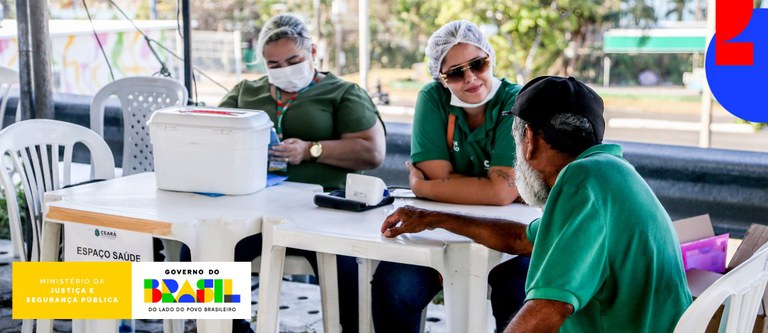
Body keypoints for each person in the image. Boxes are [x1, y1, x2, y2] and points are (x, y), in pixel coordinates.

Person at [381, 76, 692, 332]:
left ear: (528, 139)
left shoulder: (582, 179)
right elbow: (520, 238)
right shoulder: (607, 173)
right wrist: (432, 217)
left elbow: (548, 308)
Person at [216, 14, 386, 333]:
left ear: (313, 52)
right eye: (274, 64)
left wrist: (310, 149)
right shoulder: (246, 92)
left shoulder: (342, 92)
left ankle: (348, 328)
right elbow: (212, 129)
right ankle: (227, 327)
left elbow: (372, 152)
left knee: (342, 268)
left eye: (293, 60)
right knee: (201, 250)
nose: (284, 70)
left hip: (323, 212)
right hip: (256, 211)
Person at [371, 20, 527, 332]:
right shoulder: (432, 98)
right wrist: (453, 184)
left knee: (521, 293)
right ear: (441, 78)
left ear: (490, 57)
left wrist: (424, 188)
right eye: (455, 72)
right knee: (391, 287)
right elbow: (443, 174)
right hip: (438, 226)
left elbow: (500, 193)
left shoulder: (515, 99)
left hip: (508, 228)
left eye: (478, 64)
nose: (470, 78)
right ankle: (240, 322)